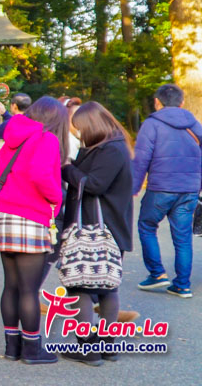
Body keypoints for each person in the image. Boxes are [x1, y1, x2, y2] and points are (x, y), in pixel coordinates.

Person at [0, 96, 67, 364]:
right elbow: (41, 174)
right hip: (31, 216)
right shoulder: (46, 139)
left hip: (4, 215)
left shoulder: (14, 136)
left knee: (11, 286)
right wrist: (57, 197)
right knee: (29, 290)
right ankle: (32, 349)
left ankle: (12, 347)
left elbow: (1, 167)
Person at [59, 101, 134, 365]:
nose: (79, 133)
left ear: (92, 125)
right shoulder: (111, 146)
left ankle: (88, 348)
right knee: (106, 286)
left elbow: (94, 184)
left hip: (96, 229)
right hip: (111, 228)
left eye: (80, 128)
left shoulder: (110, 150)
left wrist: (67, 167)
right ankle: (107, 345)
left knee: (80, 286)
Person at [131, 83, 202, 298]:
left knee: (146, 225)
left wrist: (134, 187)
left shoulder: (151, 124)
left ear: (157, 102)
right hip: (189, 189)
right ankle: (182, 285)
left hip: (161, 188)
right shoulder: (195, 124)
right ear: (182, 102)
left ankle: (157, 273)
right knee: (183, 237)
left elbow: (141, 158)